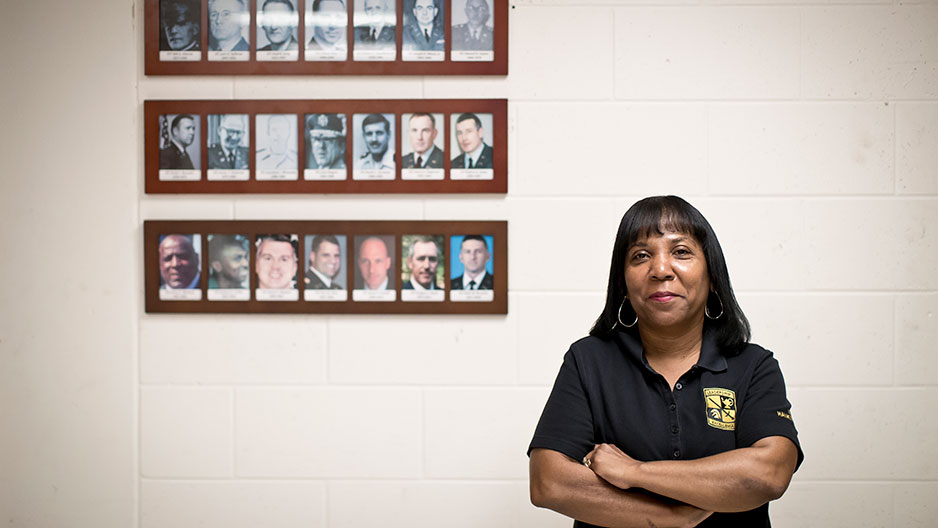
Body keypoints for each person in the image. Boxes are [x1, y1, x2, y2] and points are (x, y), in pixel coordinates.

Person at [528, 196, 803, 528]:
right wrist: (673, 517)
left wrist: (634, 472)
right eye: (641, 256)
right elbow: (549, 482)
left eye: (681, 252)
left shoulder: (754, 365)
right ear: (623, 284)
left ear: (712, 275)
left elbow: (768, 474)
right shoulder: (588, 360)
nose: (660, 270)